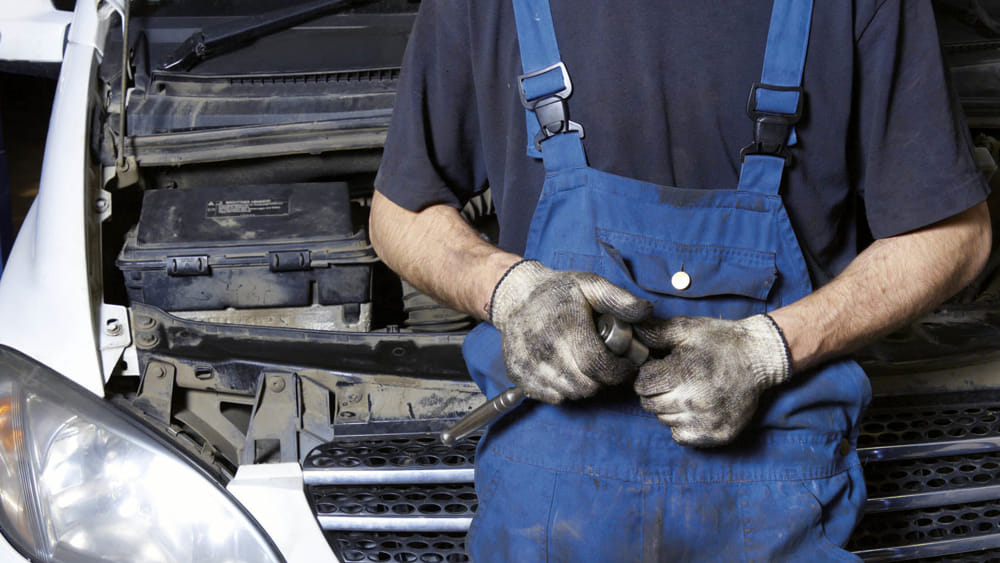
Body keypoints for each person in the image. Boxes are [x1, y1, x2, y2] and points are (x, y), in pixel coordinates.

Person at [369, 0, 993, 560]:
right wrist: (513, 291)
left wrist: (768, 350)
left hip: (779, 504)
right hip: (549, 508)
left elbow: (954, 237)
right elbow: (400, 213)